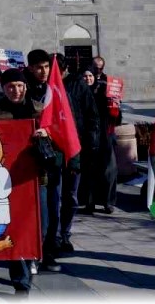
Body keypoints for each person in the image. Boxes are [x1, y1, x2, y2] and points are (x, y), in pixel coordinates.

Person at [0, 68, 45, 295]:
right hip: (6, 180)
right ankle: (21, 280)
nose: (15, 90)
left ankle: (31, 258)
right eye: (10, 87)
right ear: (3, 89)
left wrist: (46, 133)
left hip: (37, 178)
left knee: (40, 226)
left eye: (19, 86)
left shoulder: (39, 110)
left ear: (25, 86)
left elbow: (58, 134)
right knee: (15, 229)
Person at [22, 49, 63, 273]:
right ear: (30, 68)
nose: (43, 71)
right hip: (32, 161)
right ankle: (34, 253)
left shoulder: (56, 89)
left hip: (54, 159)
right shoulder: (24, 90)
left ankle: (48, 253)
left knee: (54, 208)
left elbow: (67, 122)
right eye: (38, 67)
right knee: (40, 213)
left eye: (46, 66)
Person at [55, 67, 98, 255]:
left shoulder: (78, 85)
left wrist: (90, 145)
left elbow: (91, 115)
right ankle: (54, 235)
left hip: (75, 148)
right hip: (53, 151)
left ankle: (65, 233)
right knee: (54, 197)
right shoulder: (44, 88)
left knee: (71, 196)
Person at [79, 68, 121, 216]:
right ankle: (89, 202)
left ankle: (108, 202)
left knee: (109, 170)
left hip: (105, 135)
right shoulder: (79, 94)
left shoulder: (104, 92)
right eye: (85, 76)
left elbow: (116, 118)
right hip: (87, 137)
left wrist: (116, 106)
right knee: (89, 170)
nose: (88, 78)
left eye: (90, 76)